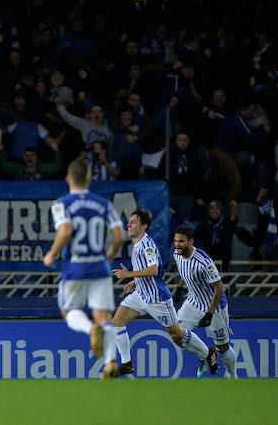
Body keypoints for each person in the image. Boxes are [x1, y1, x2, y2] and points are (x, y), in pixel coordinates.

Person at [42, 159, 125, 379]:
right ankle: (110, 362)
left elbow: (65, 230)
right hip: (100, 267)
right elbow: (119, 236)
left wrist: (51, 254)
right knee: (103, 316)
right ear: (89, 179)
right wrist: (110, 252)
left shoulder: (61, 204)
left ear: (68, 179)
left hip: (75, 268)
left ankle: (90, 330)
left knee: (68, 311)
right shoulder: (104, 204)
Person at [111, 208, 218, 377]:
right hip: (141, 295)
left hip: (157, 299)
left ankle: (207, 353)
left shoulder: (147, 245)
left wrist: (129, 274)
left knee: (177, 334)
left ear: (144, 226)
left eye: (133, 222)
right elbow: (154, 269)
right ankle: (126, 364)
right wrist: (135, 281)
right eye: (129, 221)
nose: (128, 225)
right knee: (117, 321)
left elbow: (153, 270)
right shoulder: (138, 243)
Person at [172, 226, 238, 378]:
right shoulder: (177, 253)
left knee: (223, 346)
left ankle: (232, 375)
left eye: (181, 241)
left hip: (214, 307)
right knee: (175, 334)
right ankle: (206, 355)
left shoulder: (203, 261)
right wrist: (180, 288)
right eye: (175, 241)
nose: (177, 244)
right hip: (193, 302)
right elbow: (185, 271)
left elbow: (219, 288)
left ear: (191, 242)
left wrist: (209, 313)